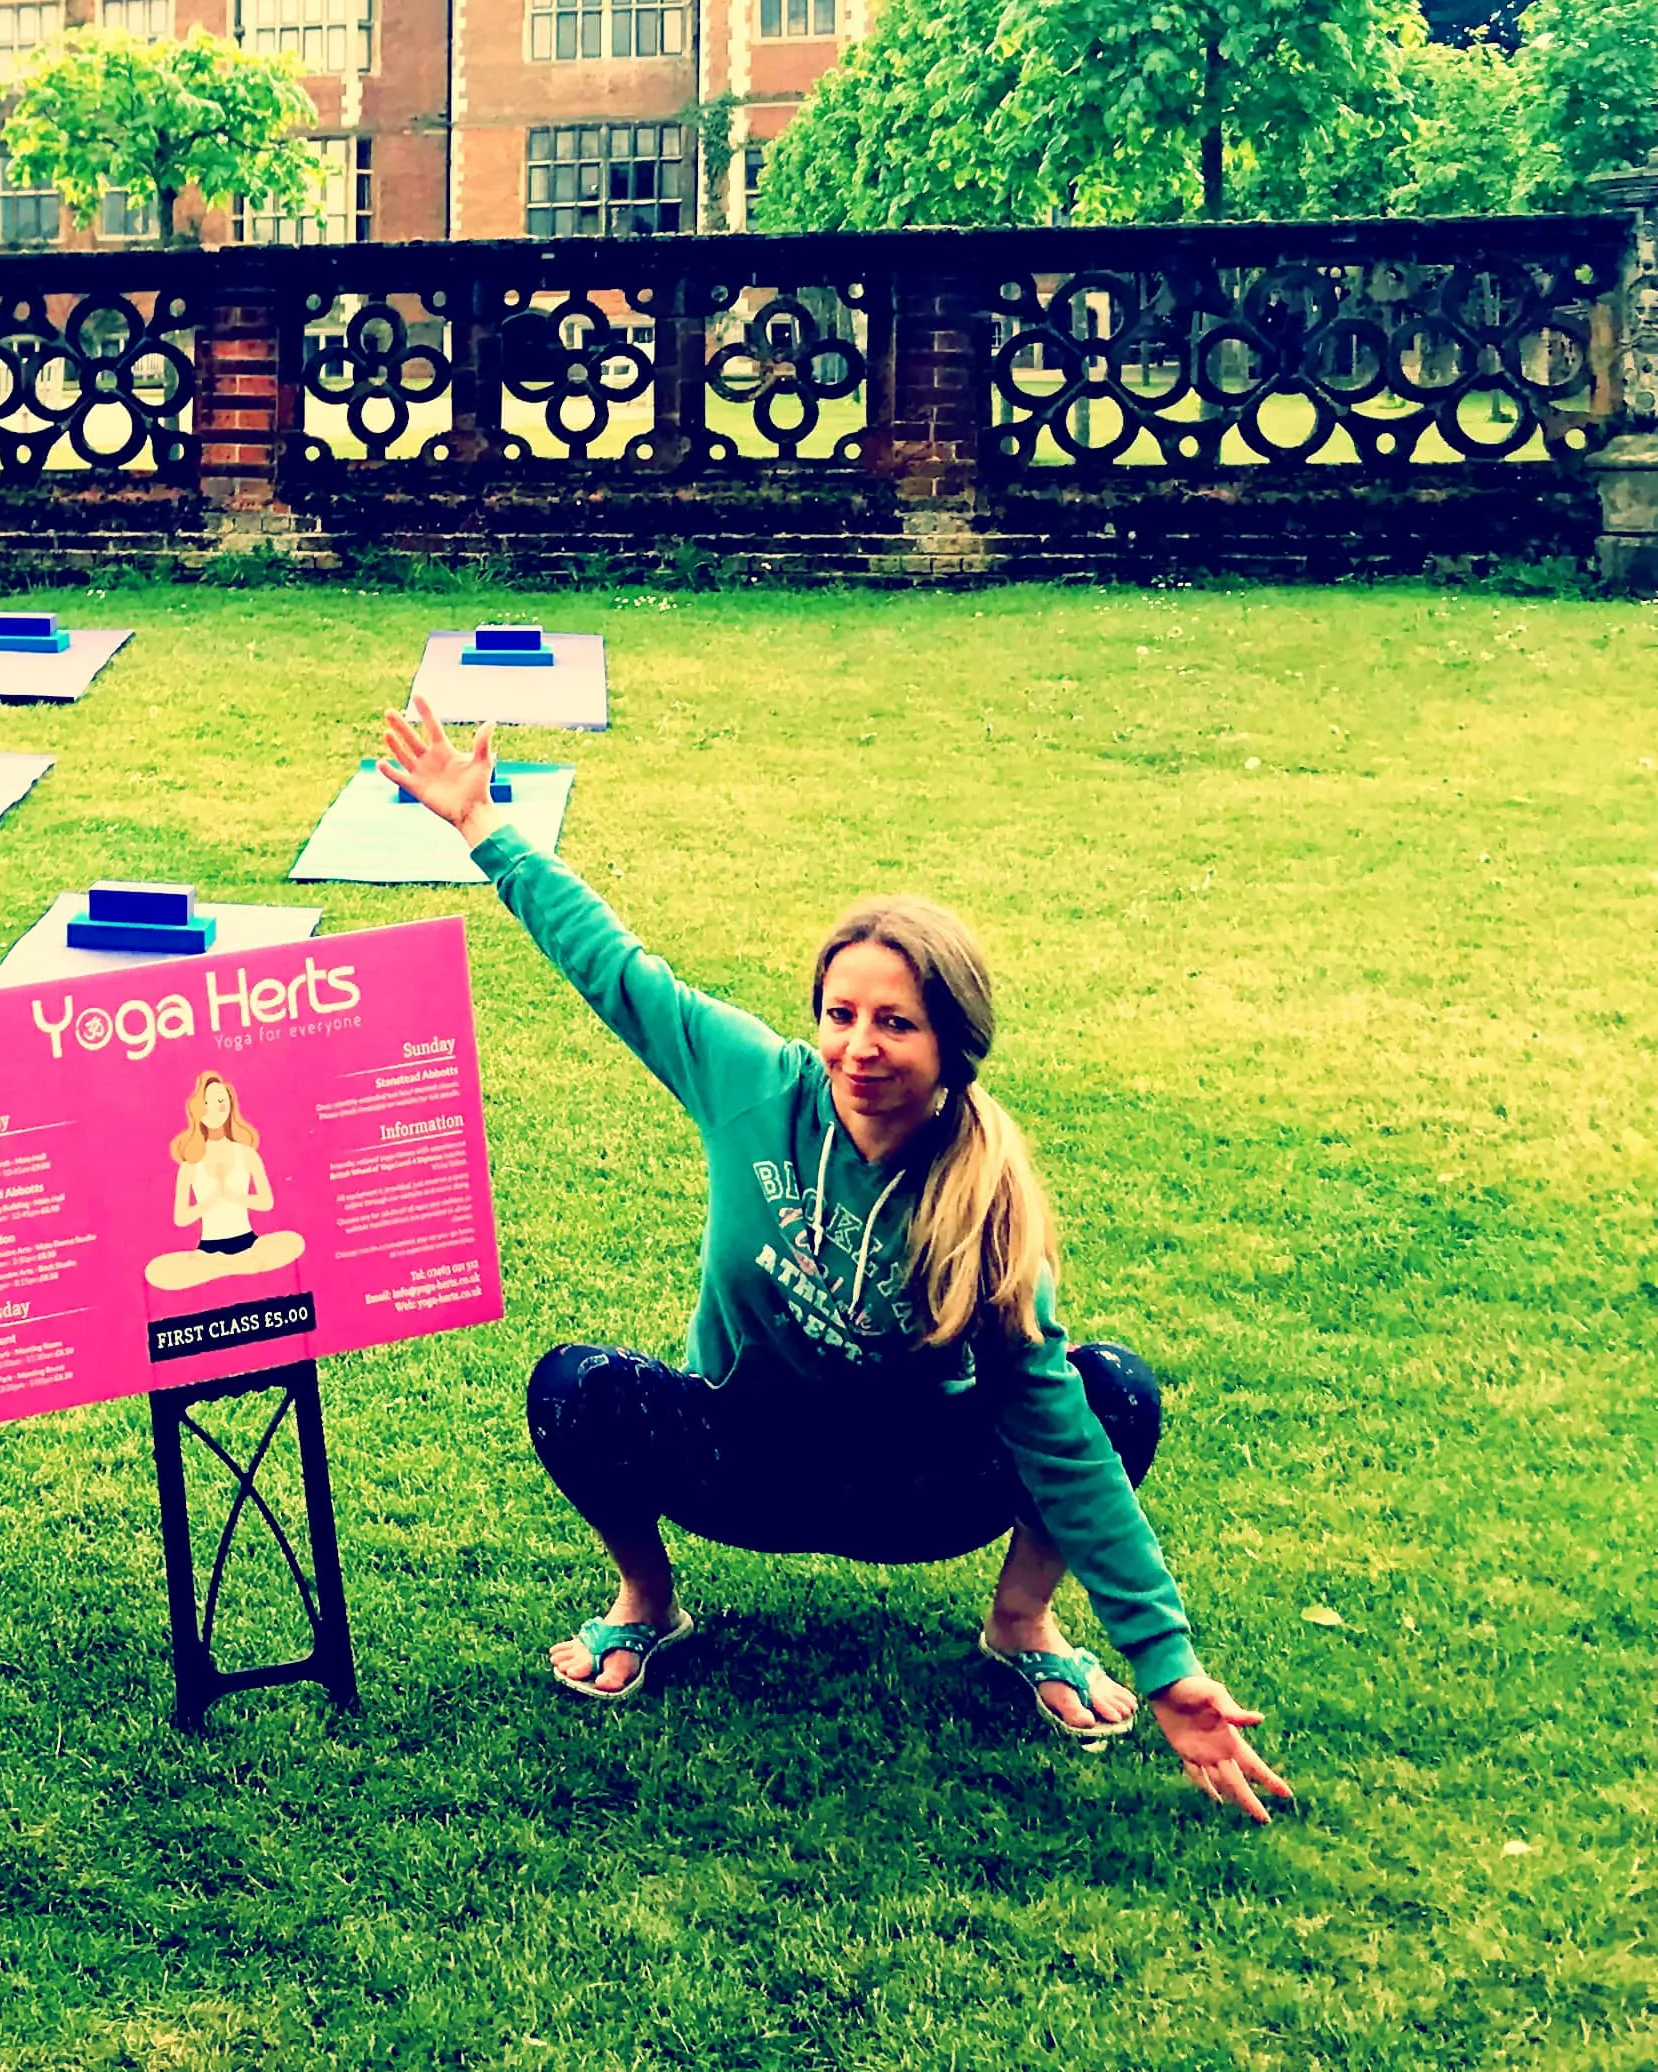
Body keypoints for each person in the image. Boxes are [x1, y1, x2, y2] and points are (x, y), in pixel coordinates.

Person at [376, 698, 1291, 1822]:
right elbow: (612, 966)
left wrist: (1167, 1663)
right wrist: (483, 829)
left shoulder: (986, 1202)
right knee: (577, 1389)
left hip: (918, 1491)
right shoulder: (753, 1082)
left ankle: (1021, 1623)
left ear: (953, 1044)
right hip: (741, 1462)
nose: (860, 1048)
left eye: (896, 1024)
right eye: (840, 1013)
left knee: (1110, 1393)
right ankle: (646, 1604)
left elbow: (1057, 1438)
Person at [145, 1070, 305, 1293]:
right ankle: (229, 1265)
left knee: (293, 1242)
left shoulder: (246, 1153)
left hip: (248, 1242)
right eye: (209, 1102)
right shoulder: (191, 1163)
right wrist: (211, 1200)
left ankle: (231, 1264)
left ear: (230, 1103)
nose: (217, 1107)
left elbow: (267, 1203)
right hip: (209, 1249)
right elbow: (181, 1218)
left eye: (221, 1100)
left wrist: (233, 1196)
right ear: (198, 1110)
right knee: (157, 1271)